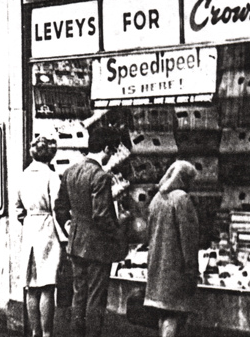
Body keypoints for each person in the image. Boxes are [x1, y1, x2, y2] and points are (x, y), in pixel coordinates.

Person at [54, 128, 127, 337]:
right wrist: (117, 232)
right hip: (97, 246)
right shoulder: (100, 176)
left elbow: (60, 206)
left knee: (79, 296)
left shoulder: (70, 171)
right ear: (105, 149)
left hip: (76, 243)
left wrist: (70, 226)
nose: (109, 156)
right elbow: (101, 215)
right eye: (110, 152)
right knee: (96, 299)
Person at [15, 135, 65, 337]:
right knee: (47, 284)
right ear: (50, 155)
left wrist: (26, 220)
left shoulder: (23, 176)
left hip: (30, 228)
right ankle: (47, 333)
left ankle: (35, 331)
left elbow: (17, 208)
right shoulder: (52, 177)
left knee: (31, 285)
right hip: (48, 228)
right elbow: (56, 207)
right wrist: (64, 237)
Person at [144, 161, 200, 337]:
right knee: (173, 314)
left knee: (163, 314)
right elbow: (188, 240)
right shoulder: (182, 199)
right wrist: (192, 270)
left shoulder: (156, 199)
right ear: (184, 179)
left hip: (156, 265)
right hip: (175, 269)